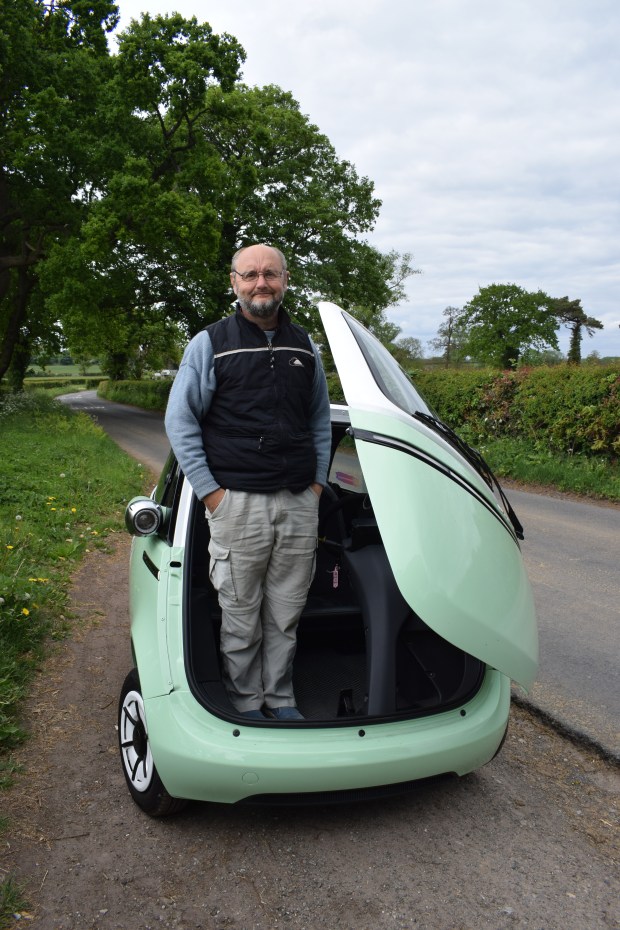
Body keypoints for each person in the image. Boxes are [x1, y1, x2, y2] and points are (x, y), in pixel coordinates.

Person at [165, 244, 332, 721]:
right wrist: (212, 495)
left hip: (299, 501)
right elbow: (180, 423)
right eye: (251, 275)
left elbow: (320, 421)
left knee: (286, 613)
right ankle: (245, 704)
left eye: (271, 275)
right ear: (234, 282)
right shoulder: (210, 343)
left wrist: (317, 485)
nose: (262, 283)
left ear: (285, 280)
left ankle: (280, 699)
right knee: (240, 616)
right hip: (237, 504)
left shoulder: (305, 345)